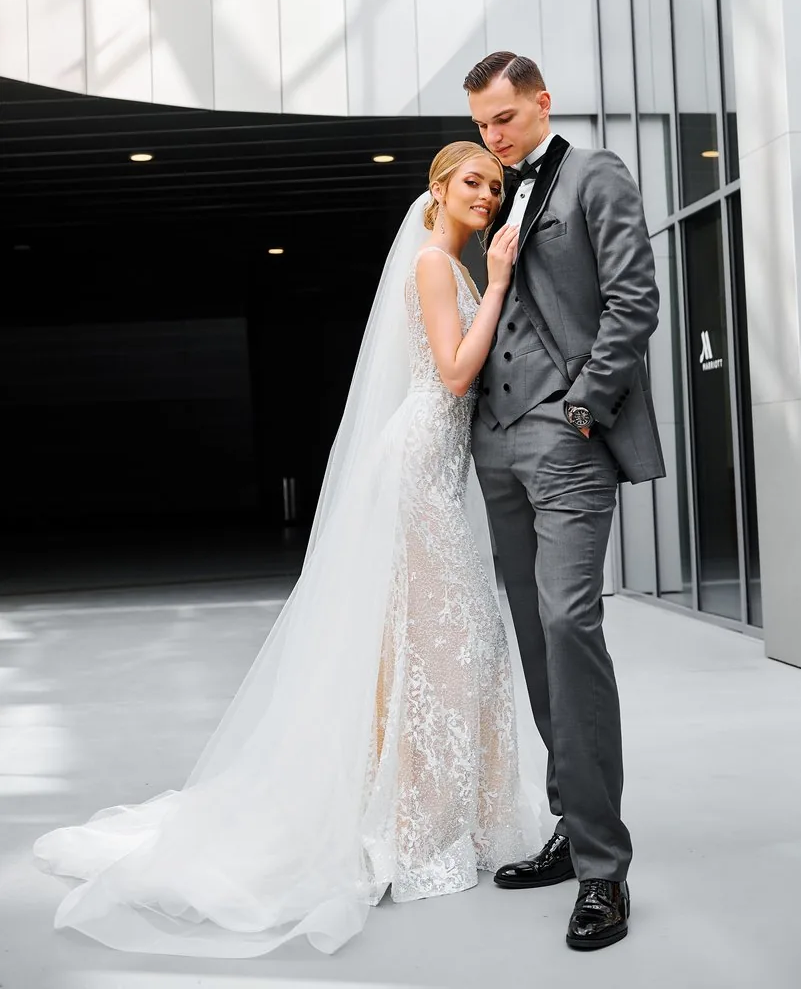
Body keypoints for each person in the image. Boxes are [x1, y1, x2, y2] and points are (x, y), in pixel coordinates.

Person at [33, 141, 543, 959]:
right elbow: (451, 375)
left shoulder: (452, 269)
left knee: (455, 645)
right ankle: (415, 827)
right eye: (472, 182)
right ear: (438, 191)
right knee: (436, 646)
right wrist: (505, 281)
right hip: (418, 473)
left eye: (495, 183)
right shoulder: (431, 266)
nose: (487, 194)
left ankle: (457, 816)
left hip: (441, 471)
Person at [464, 52, 666, 950]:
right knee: (531, 636)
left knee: (567, 626)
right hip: (495, 441)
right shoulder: (491, 193)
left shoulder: (594, 175)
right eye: (480, 125)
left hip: (566, 435)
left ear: (541, 103)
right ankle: (568, 823)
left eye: (504, 119)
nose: (493, 137)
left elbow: (633, 300)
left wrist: (585, 400)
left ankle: (603, 873)